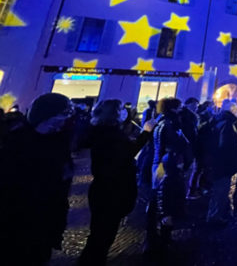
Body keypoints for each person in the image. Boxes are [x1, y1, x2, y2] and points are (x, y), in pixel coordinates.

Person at [0, 93, 75, 265]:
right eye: (61, 115)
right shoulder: (15, 141)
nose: (63, 121)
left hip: (44, 221)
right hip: (15, 221)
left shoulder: (59, 141)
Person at [78, 100, 155, 265]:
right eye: (121, 110)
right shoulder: (110, 135)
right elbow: (126, 154)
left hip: (106, 188)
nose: (125, 112)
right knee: (102, 236)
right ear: (114, 113)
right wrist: (146, 133)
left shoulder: (104, 131)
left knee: (100, 234)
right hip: (111, 190)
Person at [206, 106, 237, 224]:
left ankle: (215, 213)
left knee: (218, 189)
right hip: (224, 163)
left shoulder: (218, 124)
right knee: (221, 189)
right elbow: (225, 145)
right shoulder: (227, 126)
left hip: (218, 162)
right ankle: (215, 217)